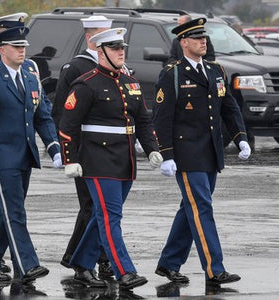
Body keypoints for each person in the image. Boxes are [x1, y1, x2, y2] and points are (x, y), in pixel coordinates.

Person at [59, 28, 162, 289]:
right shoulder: (86, 83)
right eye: (115, 48)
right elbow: (68, 124)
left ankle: (82, 265)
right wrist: (70, 159)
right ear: (100, 51)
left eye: (122, 48)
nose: (121, 52)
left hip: (124, 158)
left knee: (101, 215)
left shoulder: (131, 83)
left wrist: (152, 148)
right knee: (111, 216)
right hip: (97, 158)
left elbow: (142, 120)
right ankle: (124, 271)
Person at [153, 17, 250, 286]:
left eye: (204, 38)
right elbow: (162, 117)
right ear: (184, 42)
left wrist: (240, 137)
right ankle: (214, 268)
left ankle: (169, 263)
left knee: (190, 208)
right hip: (186, 153)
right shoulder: (172, 73)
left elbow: (228, 106)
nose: (203, 42)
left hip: (211, 151)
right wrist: (167, 154)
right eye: (197, 38)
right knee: (202, 207)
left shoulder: (215, 69)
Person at [0, 26, 62, 283]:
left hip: (24, 156)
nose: (22, 51)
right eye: (16, 47)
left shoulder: (31, 78)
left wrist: (53, 147)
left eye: (24, 47)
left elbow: (42, 116)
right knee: (15, 212)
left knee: (7, 210)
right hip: (1, 159)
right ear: (2, 50)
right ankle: (27, 264)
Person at [52, 16, 114, 280]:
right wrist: (69, 153)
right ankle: (91, 260)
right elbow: (61, 113)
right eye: (104, 37)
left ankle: (82, 256)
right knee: (91, 206)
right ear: (91, 38)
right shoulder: (76, 67)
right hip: (86, 150)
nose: (113, 45)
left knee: (105, 207)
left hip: (112, 150)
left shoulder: (114, 65)